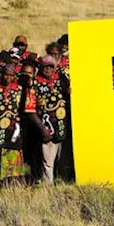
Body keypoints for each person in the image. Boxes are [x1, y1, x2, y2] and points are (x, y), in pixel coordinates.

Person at [0, 63, 33, 186]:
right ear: (1, 75)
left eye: (11, 75)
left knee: (13, 152)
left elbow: (23, 109)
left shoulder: (19, 90)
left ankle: (13, 183)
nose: (8, 78)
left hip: (14, 128)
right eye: (6, 75)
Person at [32, 56, 68, 184]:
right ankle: (48, 186)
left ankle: (62, 182)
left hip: (63, 125)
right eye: (45, 66)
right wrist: (42, 129)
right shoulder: (35, 83)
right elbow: (30, 109)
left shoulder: (61, 81)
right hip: (46, 127)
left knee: (62, 158)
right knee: (47, 160)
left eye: (51, 66)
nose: (48, 69)